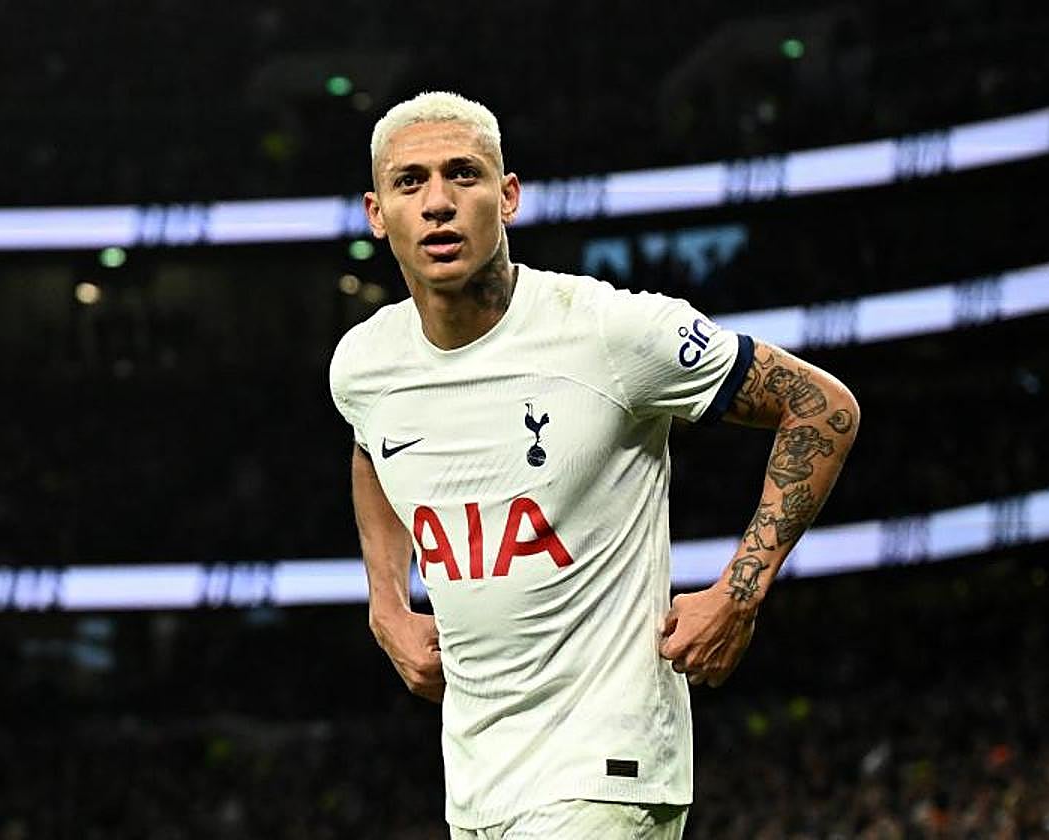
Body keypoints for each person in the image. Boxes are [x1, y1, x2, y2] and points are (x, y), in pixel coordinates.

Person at [329, 91, 859, 839]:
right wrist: (386, 602)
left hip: (607, 770)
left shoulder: (611, 332)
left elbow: (821, 406)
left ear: (508, 196)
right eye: (410, 182)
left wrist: (739, 593)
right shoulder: (366, 364)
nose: (438, 202)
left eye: (464, 174)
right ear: (377, 213)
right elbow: (371, 448)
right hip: (477, 782)